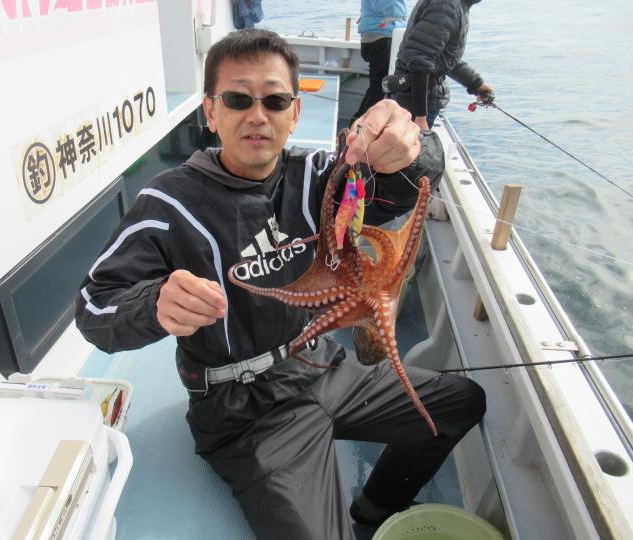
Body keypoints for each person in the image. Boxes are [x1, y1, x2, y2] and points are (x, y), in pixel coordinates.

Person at [75, 28, 486, 540]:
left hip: (320, 365)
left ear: (294, 114)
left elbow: (403, 188)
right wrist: (154, 304)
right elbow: (94, 307)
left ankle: (374, 510)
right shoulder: (167, 205)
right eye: (237, 99)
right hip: (243, 409)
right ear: (210, 112)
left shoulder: (319, 176)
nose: (257, 115)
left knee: (459, 403)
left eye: (274, 101)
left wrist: (408, 147)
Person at [384, 0, 495, 129]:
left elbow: (444, 58)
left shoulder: (457, 6)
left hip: (421, 99)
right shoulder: (446, 6)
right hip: (413, 105)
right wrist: (420, 117)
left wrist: (476, 84)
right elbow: (420, 59)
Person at [353, 0, 407, 121]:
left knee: (378, 87)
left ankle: (357, 123)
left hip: (383, 36)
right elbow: (378, 5)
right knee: (380, 89)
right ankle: (360, 126)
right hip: (380, 38)